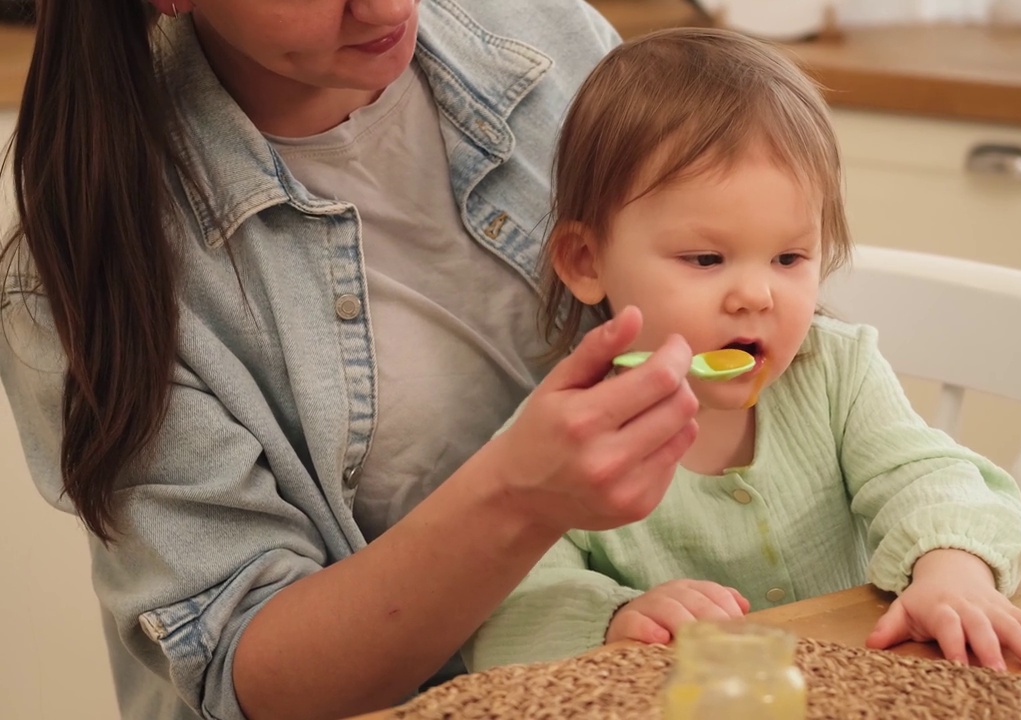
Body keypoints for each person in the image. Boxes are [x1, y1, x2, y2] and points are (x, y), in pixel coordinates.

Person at [0, 2, 705, 719]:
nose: (389, 7)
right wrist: (519, 495)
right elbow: (246, 675)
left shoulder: (543, 29)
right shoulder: (86, 273)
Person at [463, 27, 1021, 674]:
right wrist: (618, 616)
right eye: (706, 259)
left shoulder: (836, 372)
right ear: (587, 261)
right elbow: (513, 609)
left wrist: (952, 572)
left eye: (789, 257)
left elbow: (933, 481)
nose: (756, 295)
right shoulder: (564, 432)